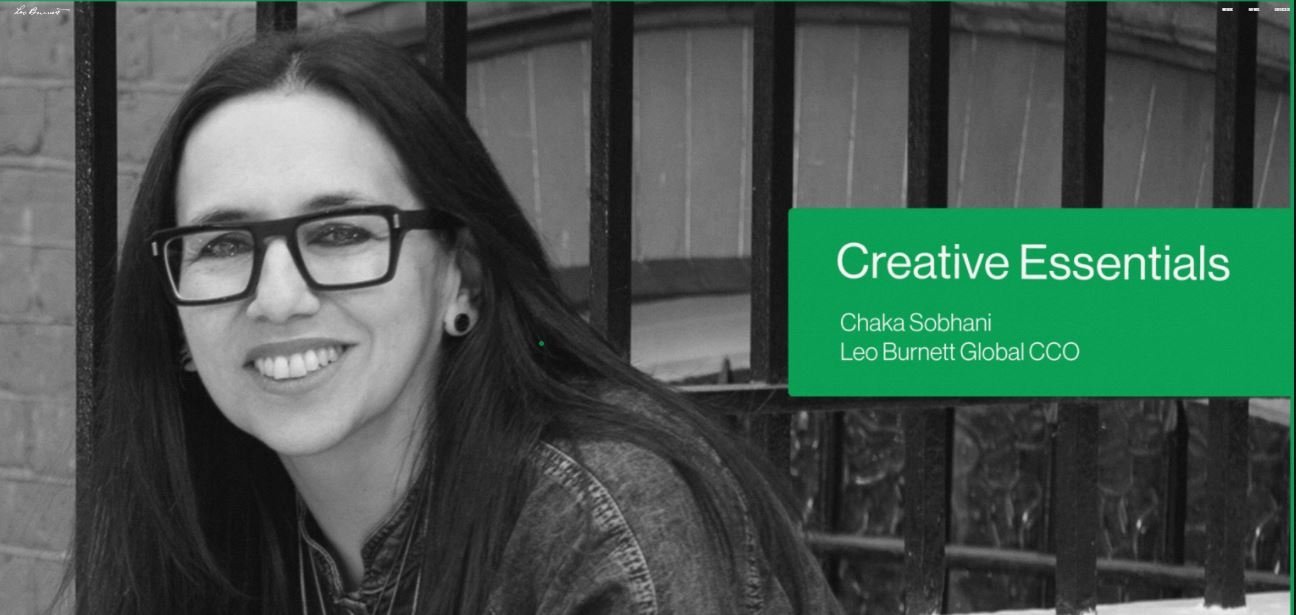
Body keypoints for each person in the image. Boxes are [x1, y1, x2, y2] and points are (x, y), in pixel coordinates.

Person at [72, 28, 839, 614]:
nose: (277, 297)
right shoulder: (204, 527)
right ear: (174, 312)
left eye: (340, 233)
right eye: (224, 244)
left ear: (461, 278)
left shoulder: (601, 519)